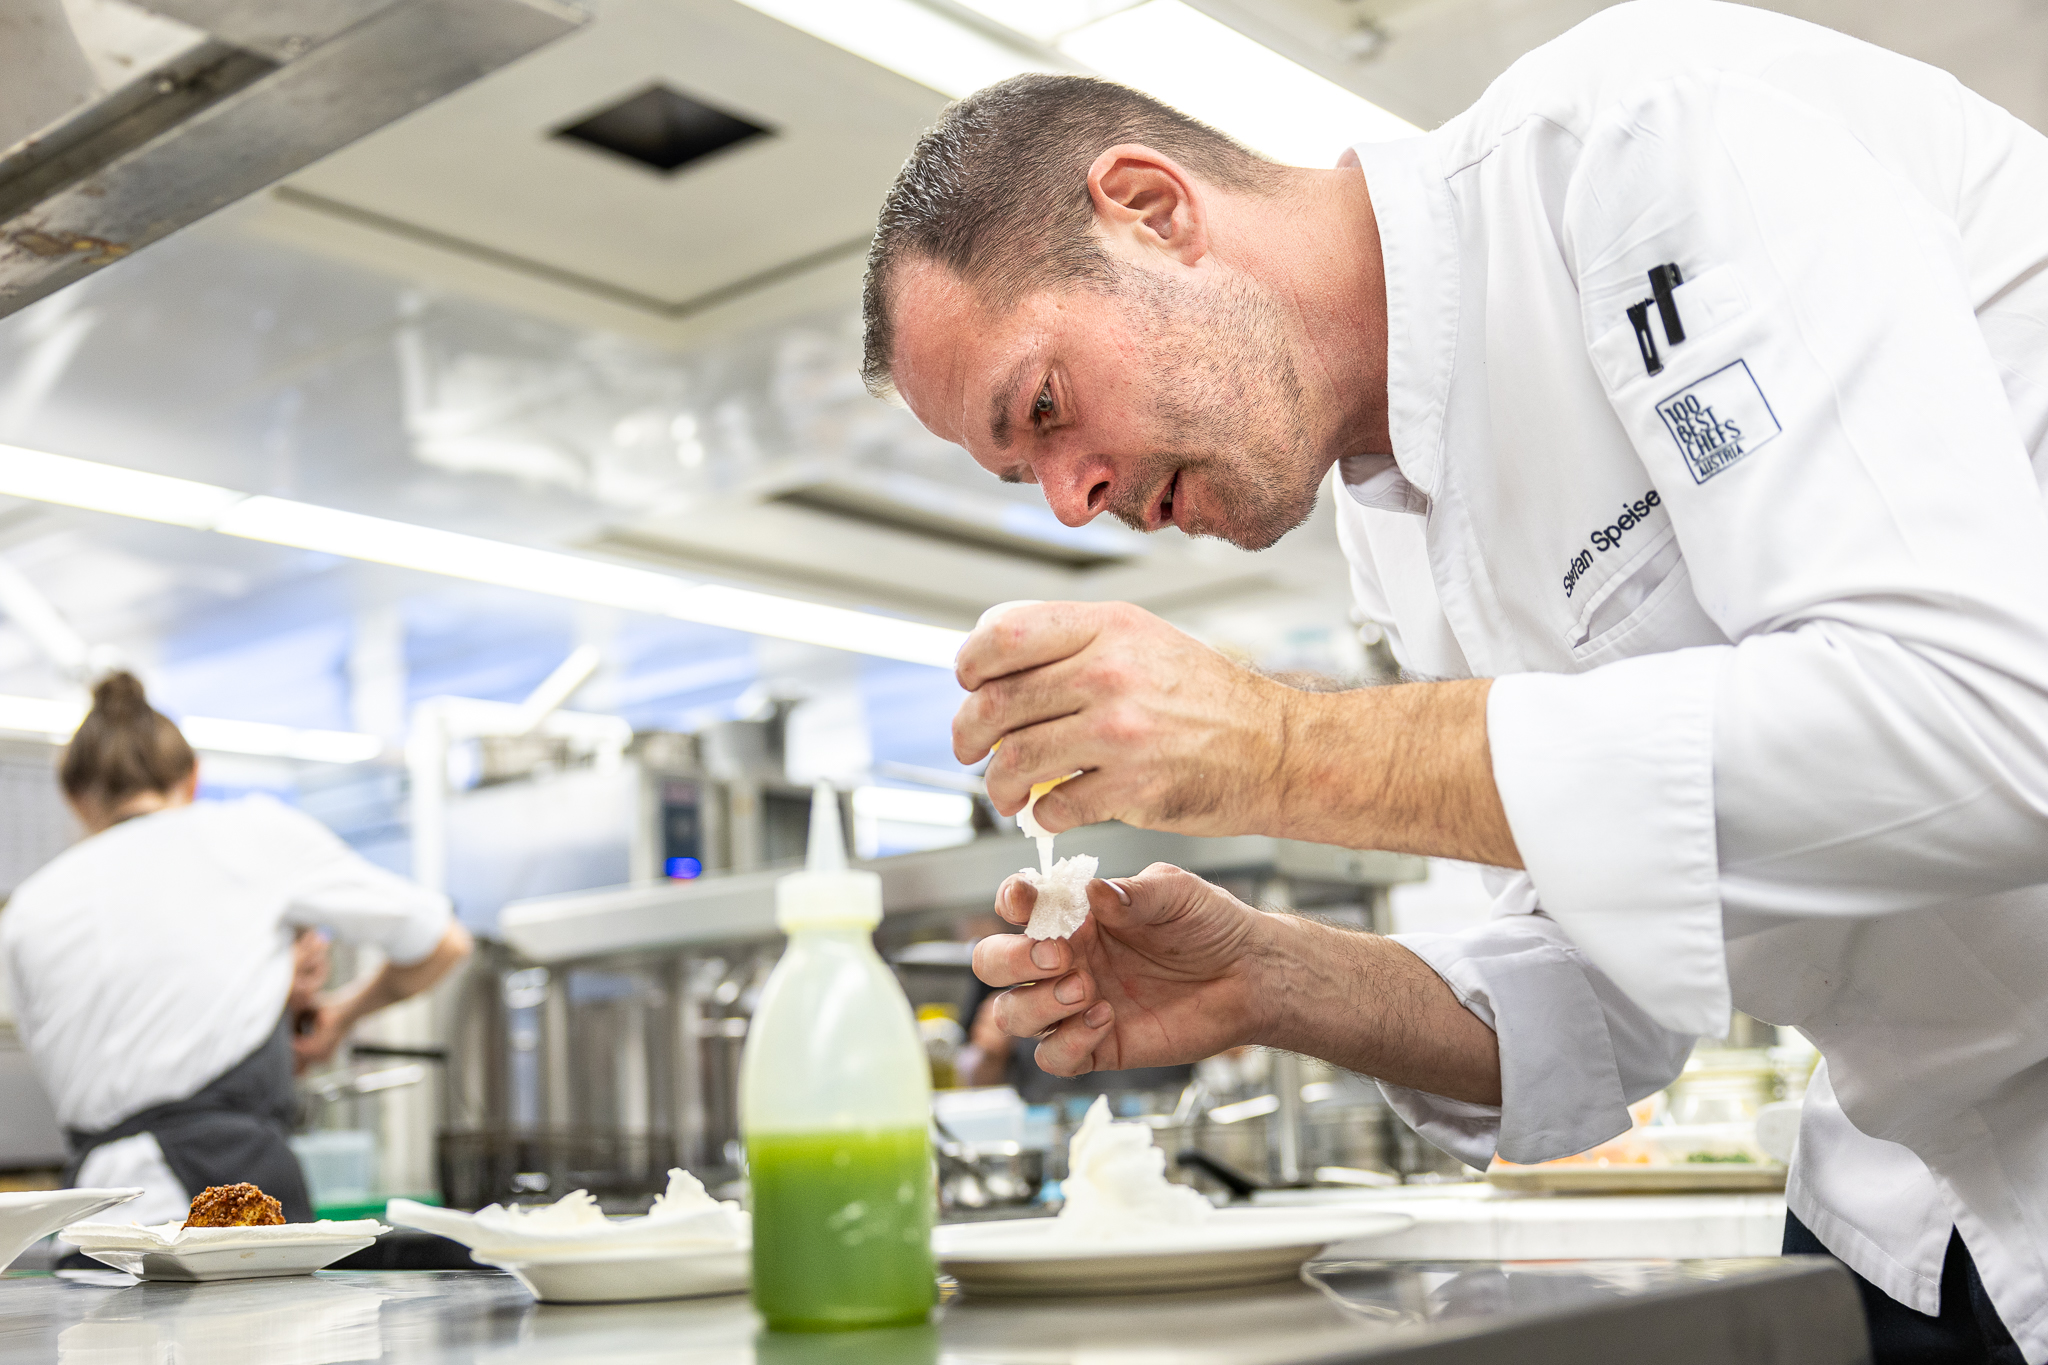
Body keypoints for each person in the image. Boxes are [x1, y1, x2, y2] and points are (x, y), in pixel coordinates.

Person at [859, 2, 2048, 1359]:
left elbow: (1992, 722)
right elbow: (1611, 998)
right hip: (1901, 1201)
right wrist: (1264, 977)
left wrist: (1286, 753)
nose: (1076, 504)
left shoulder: (1646, 137)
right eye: (1027, 479)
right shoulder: (1390, 519)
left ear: (1148, 208)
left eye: (1048, 409)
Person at [0, 673, 471, 1226]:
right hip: (226, 1210)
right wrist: (342, 1016)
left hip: (90, 1223)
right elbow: (442, 941)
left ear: (74, 799)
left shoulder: (27, 909)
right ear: (193, 777)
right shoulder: (255, 835)